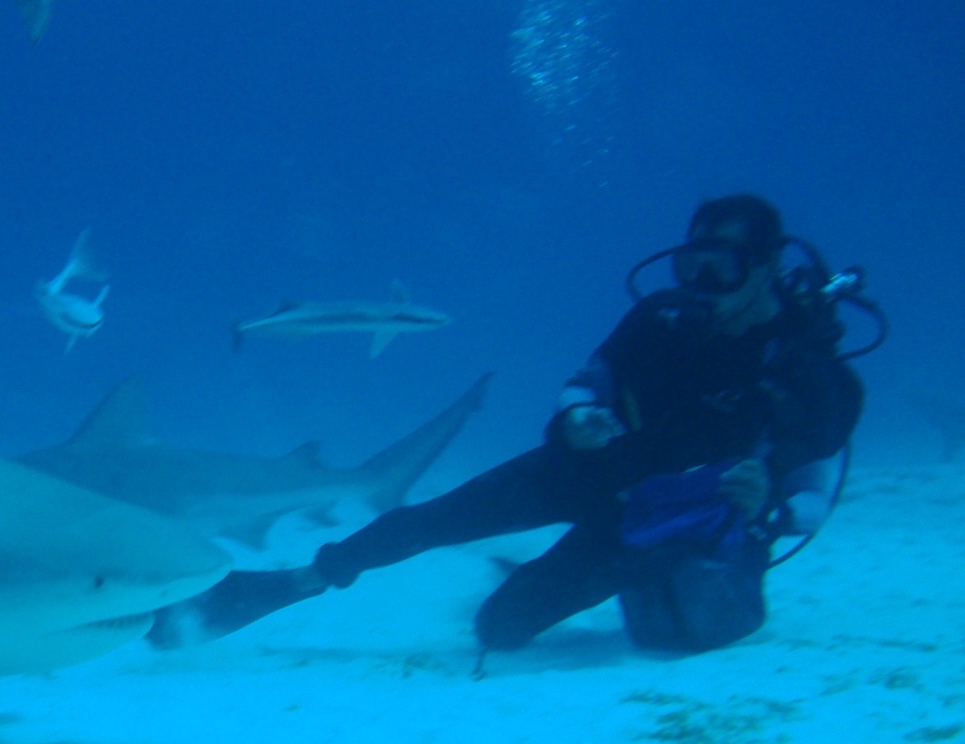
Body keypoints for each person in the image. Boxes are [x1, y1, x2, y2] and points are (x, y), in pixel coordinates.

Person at [148, 194, 865, 660]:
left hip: (667, 521)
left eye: (725, 266)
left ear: (767, 268)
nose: (703, 283)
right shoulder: (661, 319)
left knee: (499, 629)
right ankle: (289, 583)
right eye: (693, 263)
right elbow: (593, 376)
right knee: (426, 520)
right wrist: (575, 414)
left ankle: (573, 580)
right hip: (595, 468)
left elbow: (818, 483)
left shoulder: (802, 363)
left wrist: (766, 501)